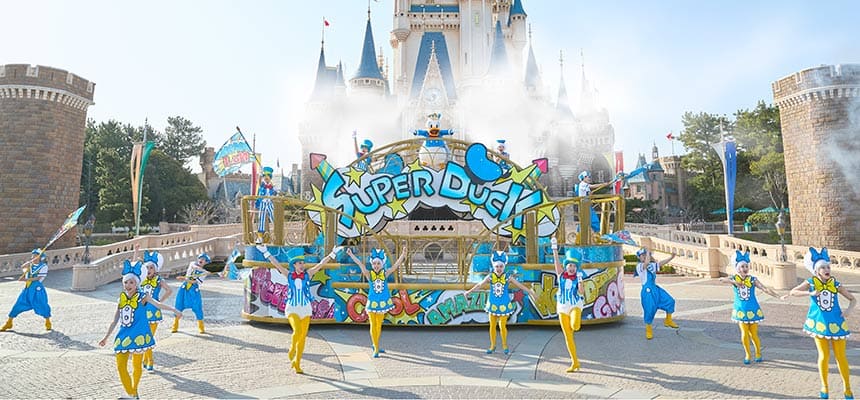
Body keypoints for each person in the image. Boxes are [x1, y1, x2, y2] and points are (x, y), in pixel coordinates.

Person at [98, 260, 181, 399]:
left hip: (139, 336)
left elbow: (157, 304)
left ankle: (133, 392)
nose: (128, 285)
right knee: (121, 366)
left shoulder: (143, 297)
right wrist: (106, 337)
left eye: (131, 282)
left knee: (137, 366)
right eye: (126, 282)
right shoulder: (121, 298)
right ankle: (132, 393)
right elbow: (115, 320)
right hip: (124, 335)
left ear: (137, 283)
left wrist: (174, 309)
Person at [782, 247, 855, 400]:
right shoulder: (811, 283)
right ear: (816, 270)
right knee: (824, 356)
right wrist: (810, 293)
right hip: (819, 324)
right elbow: (793, 292)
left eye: (828, 266)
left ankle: (847, 389)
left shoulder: (835, 284)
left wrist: (848, 310)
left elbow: (852, 299)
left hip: (836, 323)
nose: (827, 269)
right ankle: (824, 387)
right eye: (823, 267)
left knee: (841, 357)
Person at [257, 244, 340, 373]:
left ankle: (297, 362)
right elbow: (276, 264)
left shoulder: (308, 274)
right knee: (297, 331)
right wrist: (265, 252)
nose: (302, 265)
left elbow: (321, 264)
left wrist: (332, 254)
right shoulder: (289, 275)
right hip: (292, 308)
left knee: (302, 337)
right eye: (300, 263)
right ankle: (292, 348)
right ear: (294, 264)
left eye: (303, 263)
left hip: (306, 309)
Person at [464, 250, 538, 354]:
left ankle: (504, 345)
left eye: (501, 266)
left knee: (502, 326)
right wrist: (469, 291)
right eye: (497, 266)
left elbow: (519, 285)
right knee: (492, 326)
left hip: (504, 304)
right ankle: (492, 345)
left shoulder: (507, 277)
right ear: (494, 266)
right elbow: (479, 285)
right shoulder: (490, 276)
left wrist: (531, 292)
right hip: (493, 304)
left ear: (504, 266)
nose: (499, 268)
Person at [718, 250, 780, 364]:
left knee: (754, 334)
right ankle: (747, 354)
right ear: (737, 268)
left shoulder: (752, 279)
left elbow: (764, 288)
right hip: (740, 310)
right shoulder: (734, 278)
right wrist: (735, 282)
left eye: (746, 266)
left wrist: (777, 296)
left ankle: (758, 353)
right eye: (742, 266)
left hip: (753, 309)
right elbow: (721, 279)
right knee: (744, 333)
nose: (745, 268)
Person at [346, 246, 408, 358]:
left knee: (378, 325)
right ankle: (375, 347)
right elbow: (360, 264)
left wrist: (403, 255)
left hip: (382, 304)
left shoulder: (385, 273)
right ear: (372, 264)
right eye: (374, 263)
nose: (376, 265)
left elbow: (395, 266)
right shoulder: (369, 274)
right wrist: (351, 254)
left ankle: (376, 345)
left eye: (378, 263)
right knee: (373, 325)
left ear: (382, 264)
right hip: (372, 303)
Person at [550, 237, 586, 372]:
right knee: (568, 336)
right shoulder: (561, 275)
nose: (572, 268)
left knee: (575, 326)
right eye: (570, 265)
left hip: (575, 305)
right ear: (566, 266)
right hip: (562, 307)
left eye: (574, 266)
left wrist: (580, 280)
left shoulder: (578, 278)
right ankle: (575, 362)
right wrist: (554, 248)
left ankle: (575, 362)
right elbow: (556, 262)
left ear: (577, 268)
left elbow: (581, 292)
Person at [1, 248, 53, 332]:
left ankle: (48, 321)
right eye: (33, 255)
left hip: (37, 289)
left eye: (35, 255)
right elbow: (23, 267)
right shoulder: (30, 265)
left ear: (40, 257)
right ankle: (9, 322)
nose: (33, 257)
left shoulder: (43, 266)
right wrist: (28, 263)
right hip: (28, 288)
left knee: (42, 305)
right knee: (18, 304)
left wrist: (25, 279)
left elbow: (38, 278)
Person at [138, 249, 172, 371]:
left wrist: (160, 302)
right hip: (142, 311)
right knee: (144, 336)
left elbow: (169, 290)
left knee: (149, 337)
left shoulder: (159, 280)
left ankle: (150, 361)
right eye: (147, 267)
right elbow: (133, 267)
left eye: (151, 268)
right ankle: (146, 359)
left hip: (153, 312)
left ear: (155, 269)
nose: (149, 270)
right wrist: (136, 252)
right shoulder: (141, 279)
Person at [635, 247, 679, 339]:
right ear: (639, 257)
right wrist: (648, 252)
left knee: (670, 301)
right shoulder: (639, 266)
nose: (644, 256)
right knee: (649, 309)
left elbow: (661, 263)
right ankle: (649, 329)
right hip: (647, 291)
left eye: (645, 255)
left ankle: (668, 320)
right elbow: (646, 263)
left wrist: (671, 257)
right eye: (642, 255)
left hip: (655, 289)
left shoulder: (651, 265)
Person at [172, 253, 212, 334]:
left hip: (194, 290)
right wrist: (204, 271)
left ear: (206, 262)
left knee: (197, 306)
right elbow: (194, 267)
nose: (201, 260)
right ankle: (175, 325)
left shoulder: (203, 274)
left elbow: (194, 282)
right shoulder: (192, 264)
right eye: (201, 258)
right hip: (184, 288)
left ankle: (201, 327)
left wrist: (185, 279)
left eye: (204, 260)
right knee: (178, 305)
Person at [255, 166, 277, 244]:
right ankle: (260, 237)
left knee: (274, 218)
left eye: (268, 177)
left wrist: (274, 193)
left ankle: (277, 235)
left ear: (270, 178)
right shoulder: (262, 185)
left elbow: (275, 194)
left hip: (270, 203)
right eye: (265, 177)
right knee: (261, 219)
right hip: (263, 203)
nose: (266, 178)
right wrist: (260, 173)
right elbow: (259, 182)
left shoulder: (272, 187)